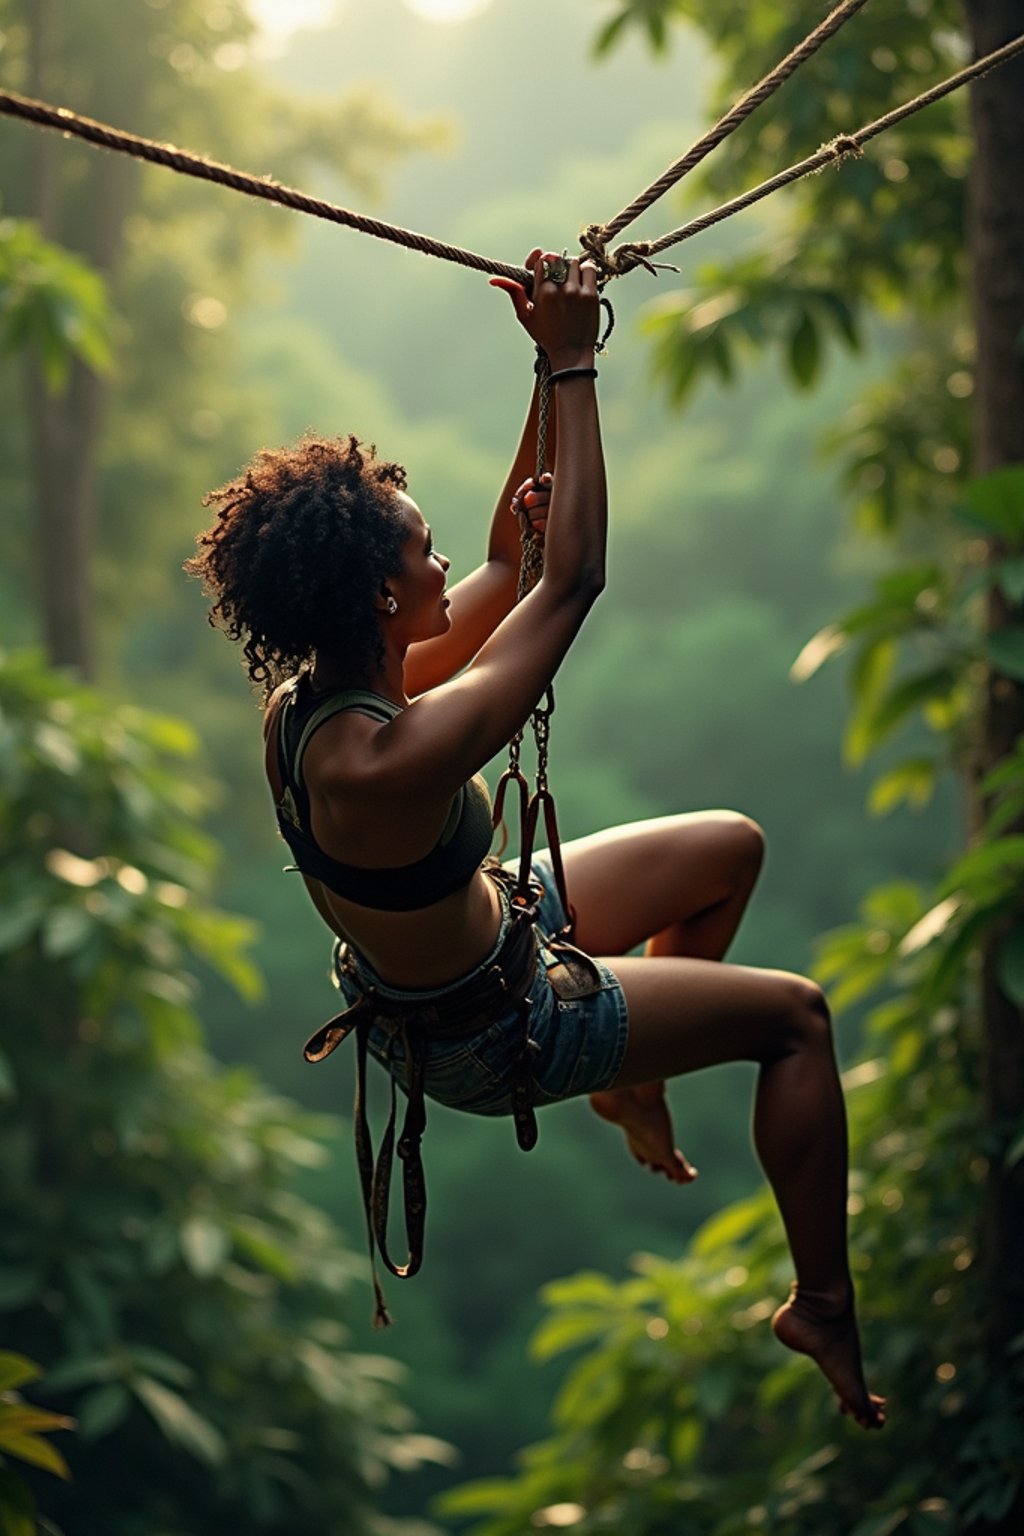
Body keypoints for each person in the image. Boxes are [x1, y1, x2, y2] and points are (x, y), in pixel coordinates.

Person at [187, 248, 885, 1430]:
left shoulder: (332, 689)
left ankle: (638, 1078)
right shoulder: (383, 759)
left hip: (495, 928)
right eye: (421, 553)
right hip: (500, 1027)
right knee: (794, 1020)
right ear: (375, 595)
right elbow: (569, 582)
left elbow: (514, 560)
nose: (443, 558)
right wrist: (574, 362)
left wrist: (540, 367)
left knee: (731, 846)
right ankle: (821, 1300)